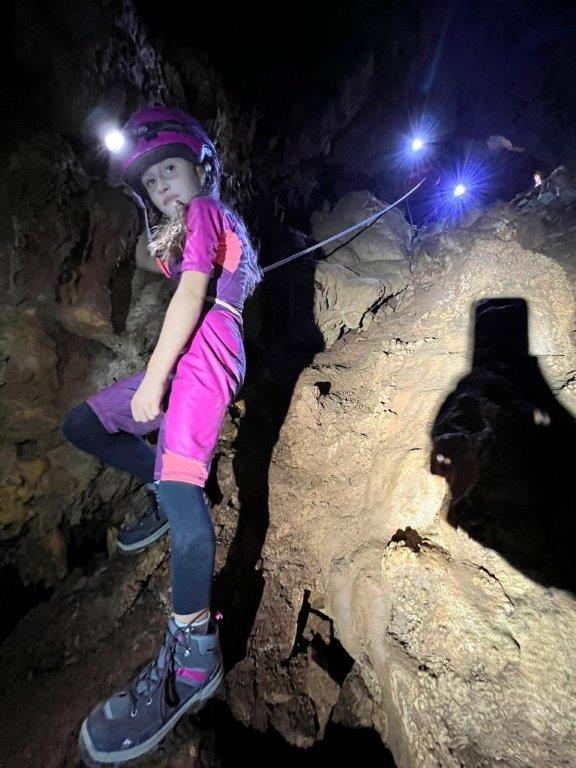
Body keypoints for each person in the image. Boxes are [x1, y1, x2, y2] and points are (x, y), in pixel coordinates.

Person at [61, 105, 263, 764]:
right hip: (191, 349)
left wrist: (154, 379)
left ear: (203, 167)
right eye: (150, 183)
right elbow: (163, 265)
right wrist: (155, 230)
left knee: (182, 497)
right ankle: (159, 483)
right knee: (83, 422)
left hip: (206, 347)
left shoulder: (206, 210)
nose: (160, 186)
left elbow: (193, 289)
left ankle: (194, 658)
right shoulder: (196, 223)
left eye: (169, 169)